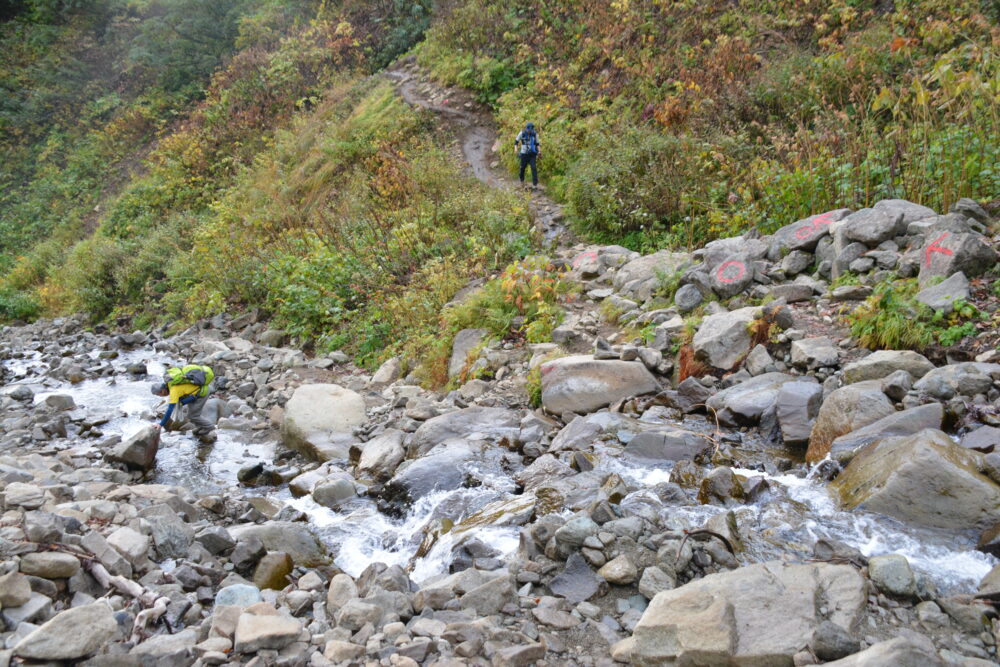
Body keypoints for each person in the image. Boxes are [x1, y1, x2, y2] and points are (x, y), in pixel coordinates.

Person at [151, 364, 217, 444]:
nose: (160, 396)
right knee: (191, 415)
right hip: (193, 393)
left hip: (201, 393)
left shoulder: (174, 391)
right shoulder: (170, 383)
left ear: (163, 391)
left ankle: (209, 427)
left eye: (159, 395)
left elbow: (170, 409)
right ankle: (201, 427)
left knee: (193, 416)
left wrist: (160, 424)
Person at [514, 122, 540, 188]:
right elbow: (516, 142)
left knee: (533, 168)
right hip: (524, 154)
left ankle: (535, 184)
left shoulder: (535, 134)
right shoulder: (522, 133)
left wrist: (539, 151)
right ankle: (522, 181)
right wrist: (516, 149)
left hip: (532, 154)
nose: (529, 131)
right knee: (522, 168)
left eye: (531, 130)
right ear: (526, 128)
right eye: (528, 130)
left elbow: (537, 144)